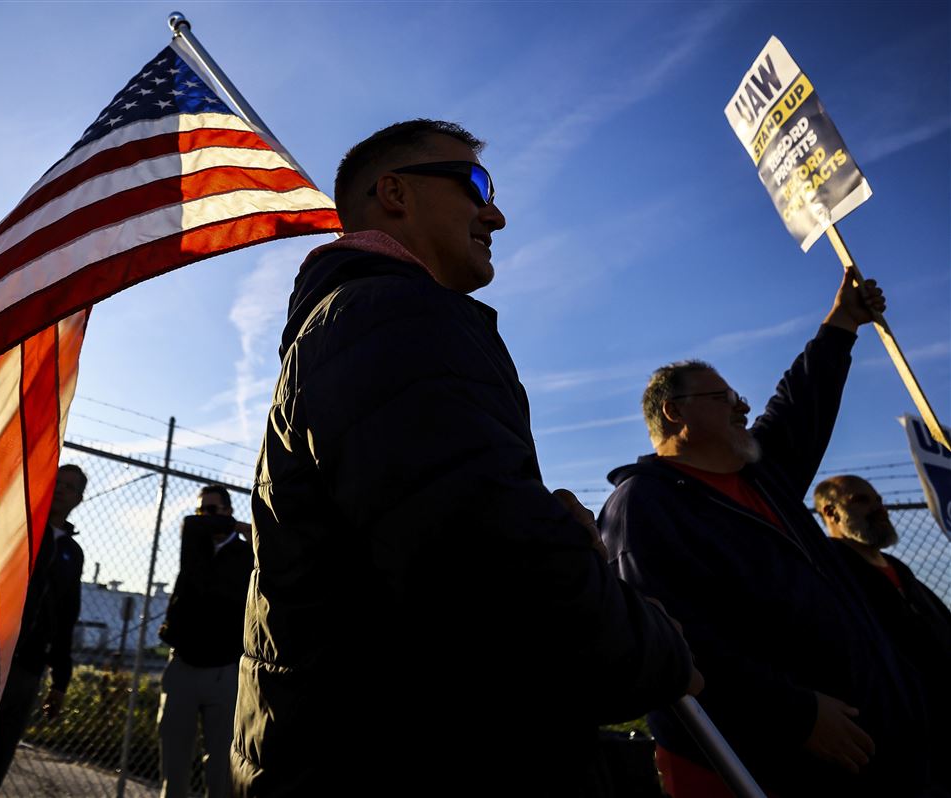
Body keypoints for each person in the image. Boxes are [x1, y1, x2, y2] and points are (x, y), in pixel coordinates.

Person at [230, 119, 700, 796]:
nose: (496, 214)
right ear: (394, 193)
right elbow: (492, 570)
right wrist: (657, 650)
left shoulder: (359, 324)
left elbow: (444, 535)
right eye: (475, 184)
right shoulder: (388, 316)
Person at [598, 273, 936, 798]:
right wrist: (795, 717)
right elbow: (676, 642)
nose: (744, 406)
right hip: (787, 768)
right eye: (725, 397)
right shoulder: (645, 506)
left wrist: (842, 320)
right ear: (675, 412)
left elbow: (801, 403)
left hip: (887, 750)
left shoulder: (764, 477)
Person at [814, 474, 951, 792]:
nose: (879, 508)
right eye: (861, 500)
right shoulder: (828, 568)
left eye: (878, 500)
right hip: (893, 742)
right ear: (831, 513)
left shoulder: (898, 569)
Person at [0, 464, 87, 797]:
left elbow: (67, 618)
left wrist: (60, 681)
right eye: (57, 481)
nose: (60, 489)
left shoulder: (72, 552)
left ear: (79, 499)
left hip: (28, 667)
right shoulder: (19, 527)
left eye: (69, 486)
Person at [157, 484, 253, 798]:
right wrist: (230, 524)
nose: (205, 517)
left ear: (228, 511)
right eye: (203, 510)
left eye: (213, 510)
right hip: (183, 665)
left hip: (224, 671)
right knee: (174, 762)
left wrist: (239, 530)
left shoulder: (245, 554)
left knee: (222, 769)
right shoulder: (195, 543)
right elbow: (191, 523)